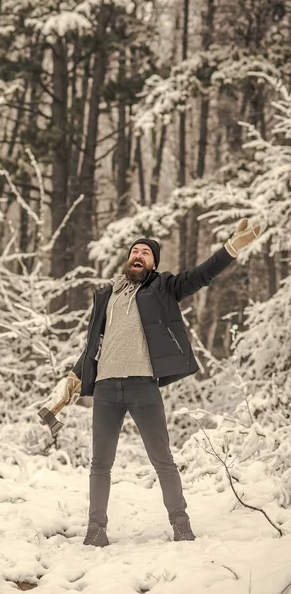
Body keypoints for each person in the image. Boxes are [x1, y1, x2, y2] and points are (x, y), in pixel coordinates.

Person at [64, 218, 262, 546]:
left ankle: (181, 524)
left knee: (162, 459)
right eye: (134, 251)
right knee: (100, 462)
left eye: (146, 252)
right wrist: (76, 373)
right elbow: (95, 343)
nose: (138, 255)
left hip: (143, 386)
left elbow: (201, 274)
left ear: (154, 263)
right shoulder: (106, 295)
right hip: (106, 388)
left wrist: (231, 248)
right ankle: (95, 529)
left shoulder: (163, 288)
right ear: (128, 259)